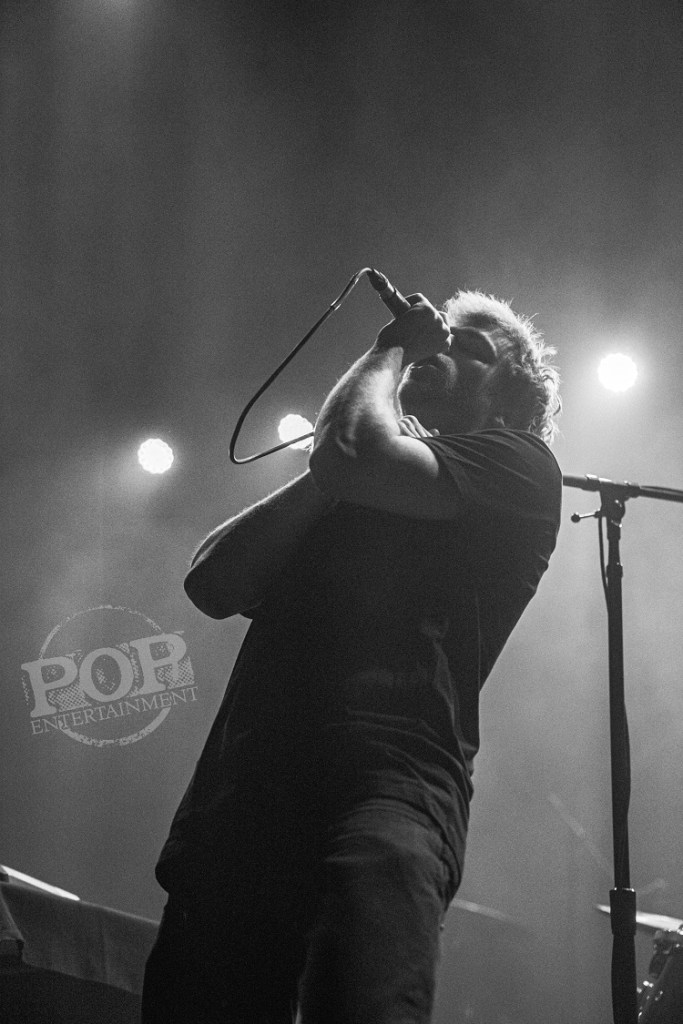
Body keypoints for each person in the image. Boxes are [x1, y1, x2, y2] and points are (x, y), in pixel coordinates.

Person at [141, 287, 562, 1024]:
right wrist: (332, 474)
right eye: (442, 334)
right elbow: (213, 581)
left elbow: (354, 453)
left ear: (508, 402)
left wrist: (391, 348)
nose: (442, 345)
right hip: (244, 794)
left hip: (386, 787)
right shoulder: (347, 478)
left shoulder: (518, 465)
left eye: (470, 347)